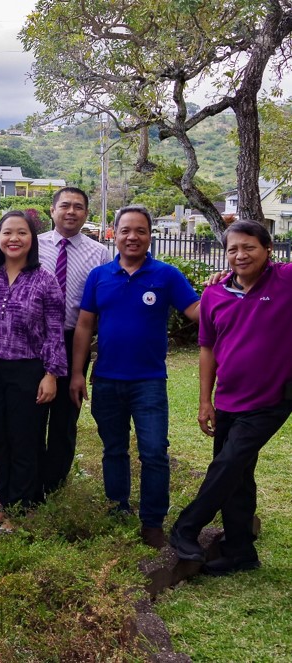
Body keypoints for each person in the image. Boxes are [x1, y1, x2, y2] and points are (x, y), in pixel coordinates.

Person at [70, 205, 199, 549]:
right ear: (114, 234)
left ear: (149, 235)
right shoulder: (100, 276)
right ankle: (117, 508)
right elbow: (84, 325)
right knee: (114, 449)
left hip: (149, 382)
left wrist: (225, 285)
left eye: (140, 230)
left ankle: (152, 521)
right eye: (125, 230)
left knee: (155, 451)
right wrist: (77, 374)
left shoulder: (166, 275)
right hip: (107, 379)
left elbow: (196, 311)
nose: (133, 237)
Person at [169, 221, 292, 574]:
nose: (241, 255)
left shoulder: (285, 280)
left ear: (268, 249)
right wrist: (204, 400)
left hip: (272, 399)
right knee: (238, 473)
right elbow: (207, 348)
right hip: (227, 400)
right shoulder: (215, 294)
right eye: (233, 249)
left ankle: (186, 527)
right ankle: (240, 551)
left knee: (227, 463)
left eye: (249, 247)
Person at [0, 211, 66, 520]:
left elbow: (55, 331)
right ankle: (7, 504)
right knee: (0, 440)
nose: (14, 239)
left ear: (32, 240)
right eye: (7, 233)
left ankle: (24, 508)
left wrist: (51, 375)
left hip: (29, 370)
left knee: (25, 439)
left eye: (22, 233)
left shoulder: (45, 279)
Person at [37, 187, 111, 496]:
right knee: (33, 414)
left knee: (66, 418)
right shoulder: (34, 245)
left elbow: (101, 308)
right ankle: (30, 483)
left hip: (74, 340)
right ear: (51, 210)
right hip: (34, 341)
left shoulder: (100, 253)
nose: (71, 211)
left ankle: (54, 486)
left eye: (78, 207)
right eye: (64, 205)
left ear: (85, 214)